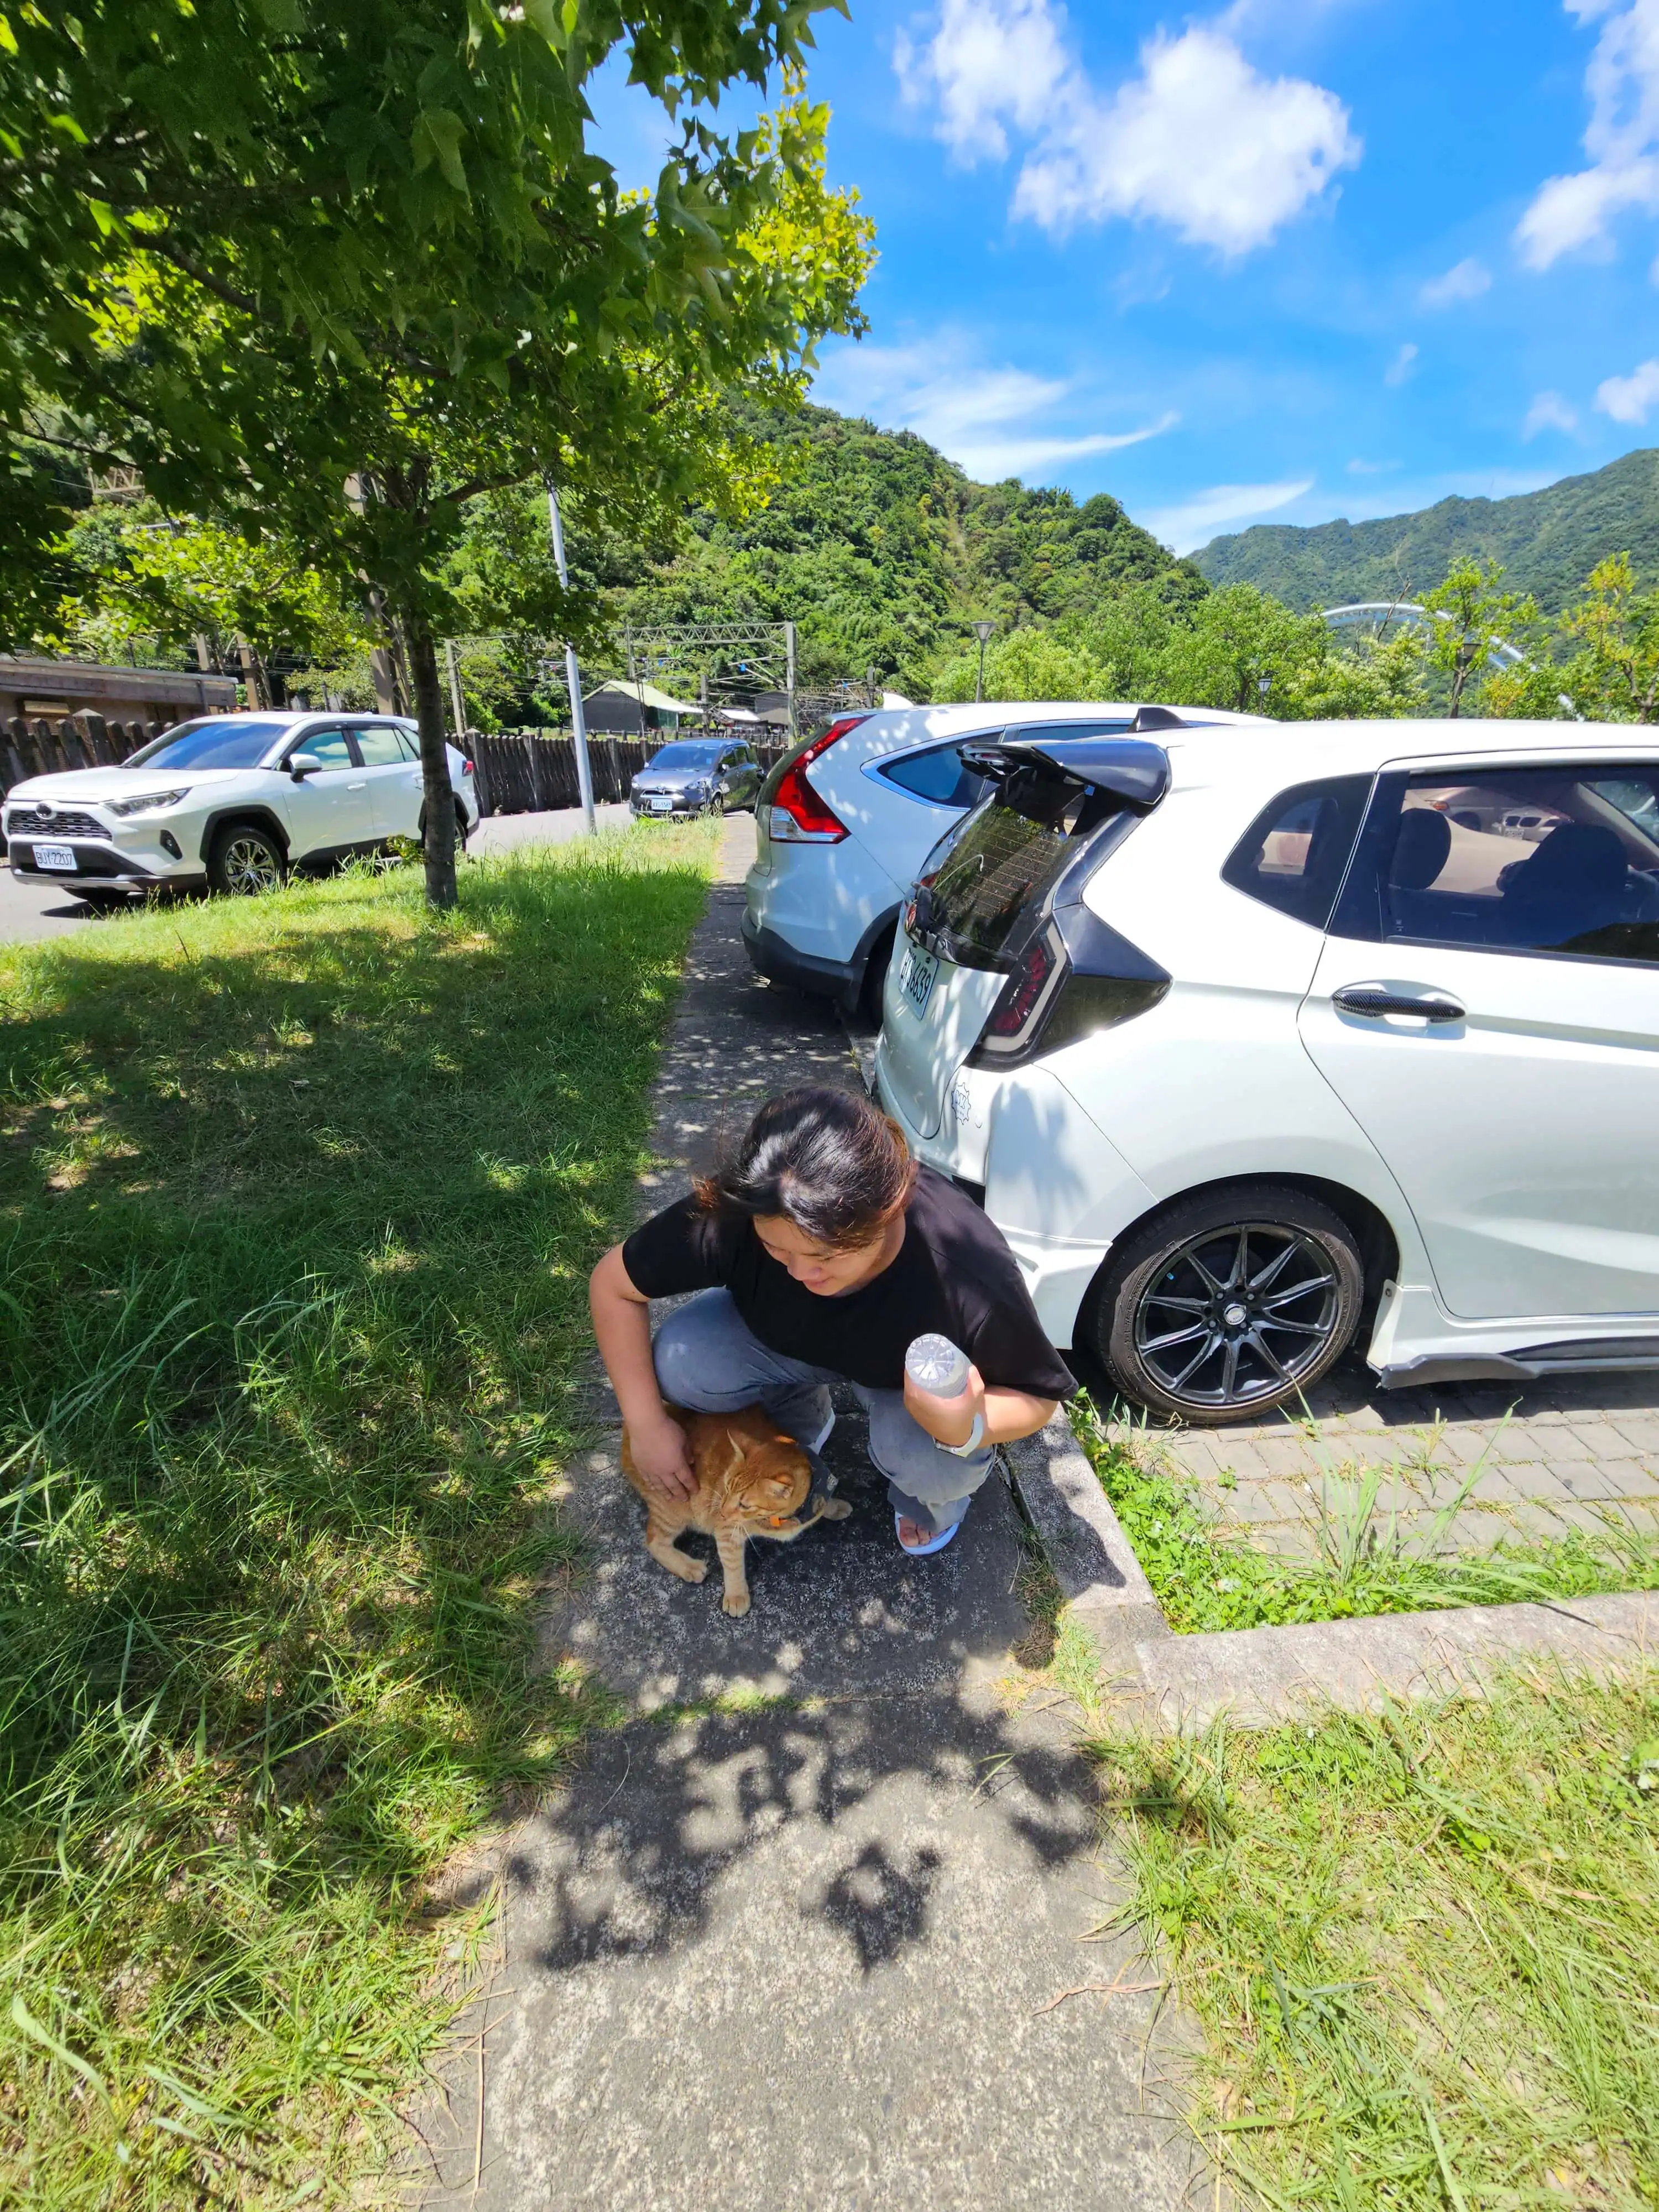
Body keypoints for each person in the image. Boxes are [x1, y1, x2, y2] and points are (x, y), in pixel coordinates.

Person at [589, 1086, 1075, 1555]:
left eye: (825, 1256)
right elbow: (612, 1284)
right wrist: (646, 1423)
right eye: (776, 1250)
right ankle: (801, 1414)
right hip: (786, 1345)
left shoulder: (966, 1269)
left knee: (931, 1465)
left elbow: (1038, 1398)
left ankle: (928, 1505)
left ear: (889, 1213)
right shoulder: (750, 1204)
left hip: (904, 1390)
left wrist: (968, 1425)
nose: (801, 1274)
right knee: (682, 1360)